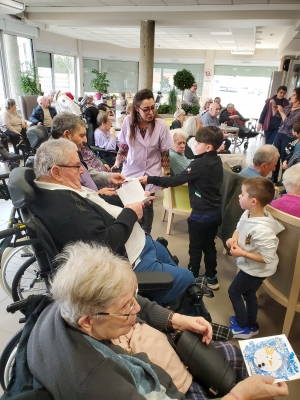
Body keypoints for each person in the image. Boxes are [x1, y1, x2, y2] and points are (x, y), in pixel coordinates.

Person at [27, 242, 289, 400]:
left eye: (133, 298)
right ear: (87, 322)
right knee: (256, 385)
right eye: (125, 307)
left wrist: (175, 319)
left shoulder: (70, 299)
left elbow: (134, 305)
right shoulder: (99, 383)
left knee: (245, 357)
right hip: (175, 390)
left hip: (165, 354)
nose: (136, 309)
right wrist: (241, 395)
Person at [30, 138, 196, 306]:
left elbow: (95, 204)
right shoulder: (63, 209)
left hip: (141, 244)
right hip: (133, 261)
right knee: (189, 281)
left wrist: (130, 199)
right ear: (56, 172)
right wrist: (131, 213)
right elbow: (105, 244)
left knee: (171, 262)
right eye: (76, 166)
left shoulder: (60, 189)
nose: (81, 171)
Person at [140, 127, 224, 290]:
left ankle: (192, 275)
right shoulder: (216, 160)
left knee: (195, 246)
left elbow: (175, 180)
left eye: (198, 142)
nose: (194, 144)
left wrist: (149, 179)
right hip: (215, 213)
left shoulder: (199, 164)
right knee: (209, 245)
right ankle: (212, 277)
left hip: (200, 215)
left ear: (208, 147)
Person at [226, 178, 284, 339]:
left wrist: (242, 253)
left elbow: (267, 257)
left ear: (253, 201)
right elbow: (239, 228)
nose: (239, 196)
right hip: (251, 266)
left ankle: (243, 326)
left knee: (234, 291)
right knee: (249, 293)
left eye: (242, 194)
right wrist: (234, 239)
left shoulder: (262, 230)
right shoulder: (248, 213)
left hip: (256, 269)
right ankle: (251, 323)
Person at [113, 88, 173, 234]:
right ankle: (131, 233)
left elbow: (165, 152)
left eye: (153, 108)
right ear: (136, 108)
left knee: (148, 204)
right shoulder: (128, 121)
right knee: (130, 203)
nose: (151, 112)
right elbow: (124, 145)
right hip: (131, 169)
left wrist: (166, 175)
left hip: (151, 170)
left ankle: (147, 234)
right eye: (146, 109)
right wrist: (117, 162)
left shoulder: (160, 125)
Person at [51, 113, 123, 202]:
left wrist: (109, 177)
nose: (85, 140)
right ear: (67, 135)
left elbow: (86, 173)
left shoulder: (70, 151)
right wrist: (98, 196)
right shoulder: (58, 161)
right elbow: (72, 201)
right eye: (81, 136)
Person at [271, 87, 300, 184]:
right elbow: (277, 115)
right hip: (280, 133)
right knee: (275, 156)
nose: (291, 96)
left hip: (289, 136)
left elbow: (288, 123)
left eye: (294, 94)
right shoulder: (289, 106)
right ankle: (273, 177)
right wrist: (274, 106)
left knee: (285, 158)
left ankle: (284, 179)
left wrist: (282, 111)